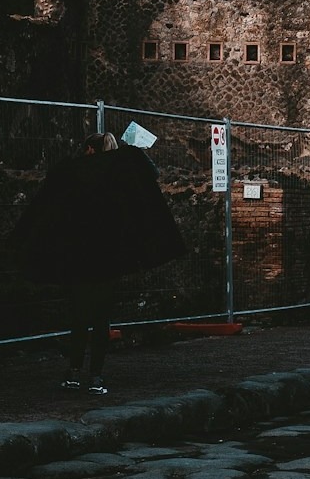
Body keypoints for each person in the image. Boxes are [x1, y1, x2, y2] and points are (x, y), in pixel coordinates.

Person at [13, 132, 186, 396]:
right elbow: (151, 173)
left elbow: (52, 203)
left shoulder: (72, 174)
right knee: (101, 320)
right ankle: (96, 375)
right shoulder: (121, 176)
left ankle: (73, 372)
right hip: (108, 257)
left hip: (77, 257)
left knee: (79, 317)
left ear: (90, 150)